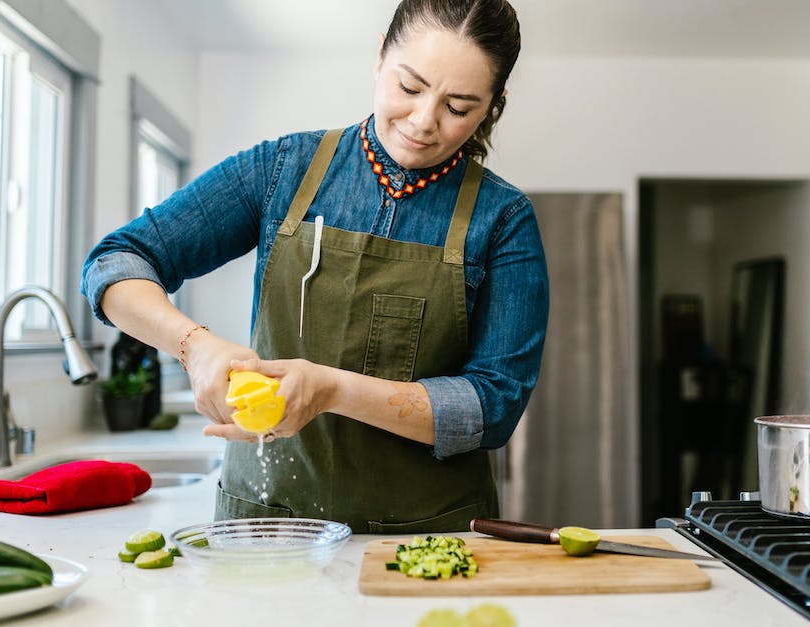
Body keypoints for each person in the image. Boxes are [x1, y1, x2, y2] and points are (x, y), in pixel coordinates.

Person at [81, 0, 547, 533]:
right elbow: (114, 263)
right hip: (268, 524)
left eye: (459, 106)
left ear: (493, 105)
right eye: (410, 87)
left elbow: (493, 406)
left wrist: (331, 389)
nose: (423, 121)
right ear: (380, 57)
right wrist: (195, 345)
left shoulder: (503, 219)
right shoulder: (283, 169)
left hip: (426, 537)